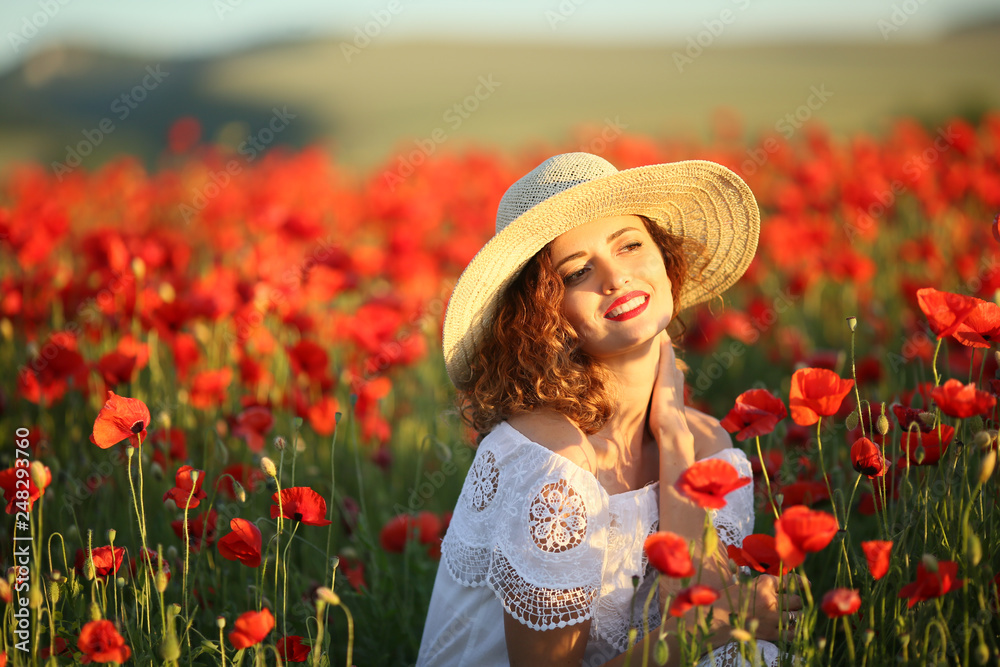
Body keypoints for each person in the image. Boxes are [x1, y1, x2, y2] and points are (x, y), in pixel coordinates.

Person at [418, 152, 801, 666]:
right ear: (544, 314)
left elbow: (690, 601)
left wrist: (673, 438)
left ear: (665, 258)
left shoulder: (704, 442)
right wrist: (724, 623)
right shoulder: (553, 461)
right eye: (577, 272)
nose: (616, 277)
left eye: (630, 244)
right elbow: (704, 627)